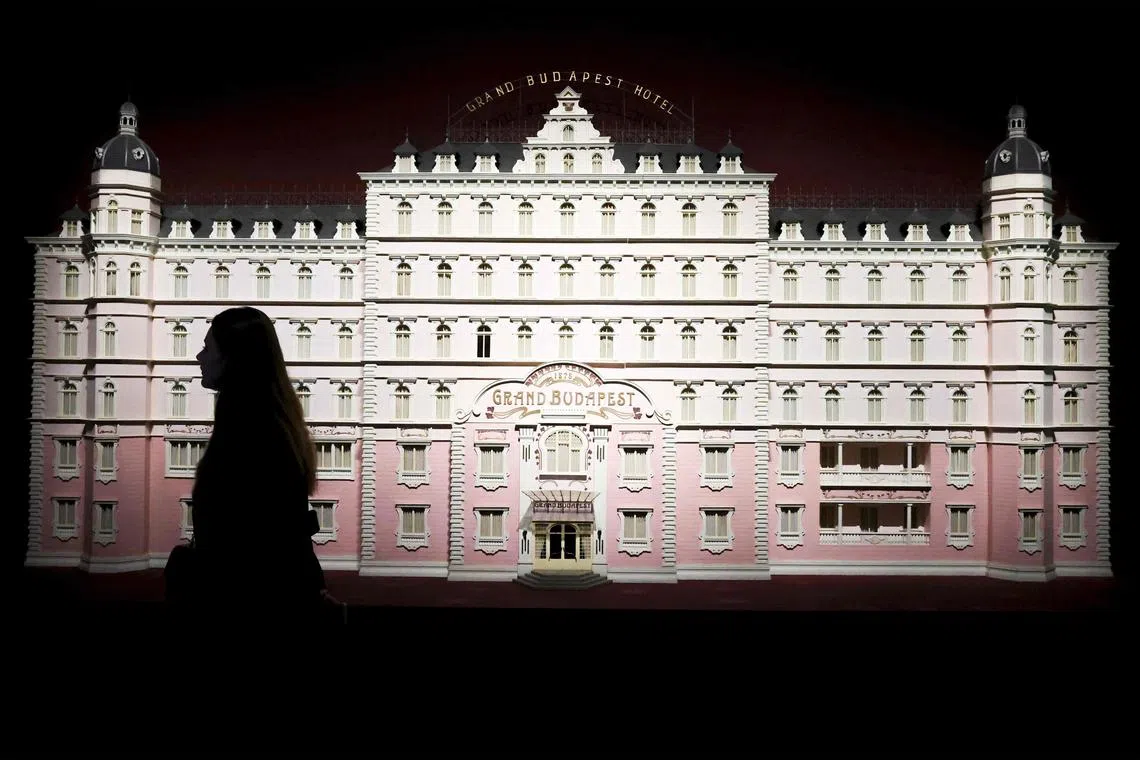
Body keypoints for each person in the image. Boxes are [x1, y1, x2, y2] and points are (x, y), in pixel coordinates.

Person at [165, 306, 344, 624]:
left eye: (209, 347)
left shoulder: (247, 428)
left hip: (246, 609)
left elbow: (246, 539)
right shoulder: (272, 420)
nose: (199, 357)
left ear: (232, 356)